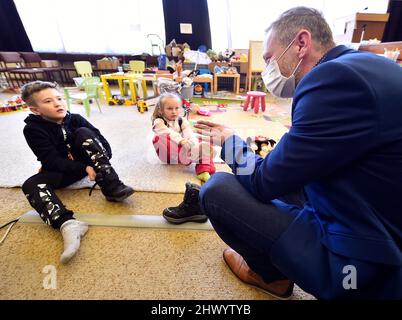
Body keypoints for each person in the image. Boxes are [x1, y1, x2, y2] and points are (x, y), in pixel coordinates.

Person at [166, 7, 402, 299]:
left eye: (269, 58)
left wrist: (229, 141)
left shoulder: (333, 79)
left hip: (363, 265)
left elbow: (265, 181)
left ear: (301, 43)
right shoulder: (369, 64)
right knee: (273, 171)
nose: (268, 70)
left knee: (218, 188)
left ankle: (270, 276)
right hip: (369, 210)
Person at [21, 81, 134, 264]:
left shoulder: (76, 119)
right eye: (48, 101)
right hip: (62, 170)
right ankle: (68, 224)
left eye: (59, 98)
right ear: (35, 110)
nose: (58, 104)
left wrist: (95, 163)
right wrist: (83, 168)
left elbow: (104, 146)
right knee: (30, 184)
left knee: (83, 131)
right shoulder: (32, 129)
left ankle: (112, 186)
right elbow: (51, 160)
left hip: (89, 164)